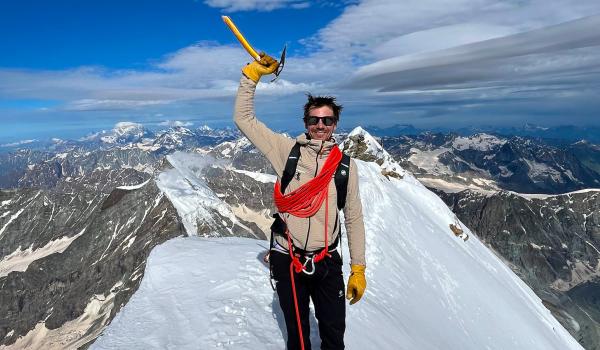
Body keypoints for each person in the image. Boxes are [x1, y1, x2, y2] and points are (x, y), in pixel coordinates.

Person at [233, 53, 366, 350]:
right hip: (288, 258)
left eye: (327, 120)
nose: (320, 125)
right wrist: (251, 76)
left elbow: (353, 218)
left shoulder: (346, 167)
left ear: (335, 124)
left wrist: (359, 268)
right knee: (299, 337)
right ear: (305, 122)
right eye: (314, 119)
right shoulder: (286, 151)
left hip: (327, 261)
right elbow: (244, 119)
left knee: (334, 334)